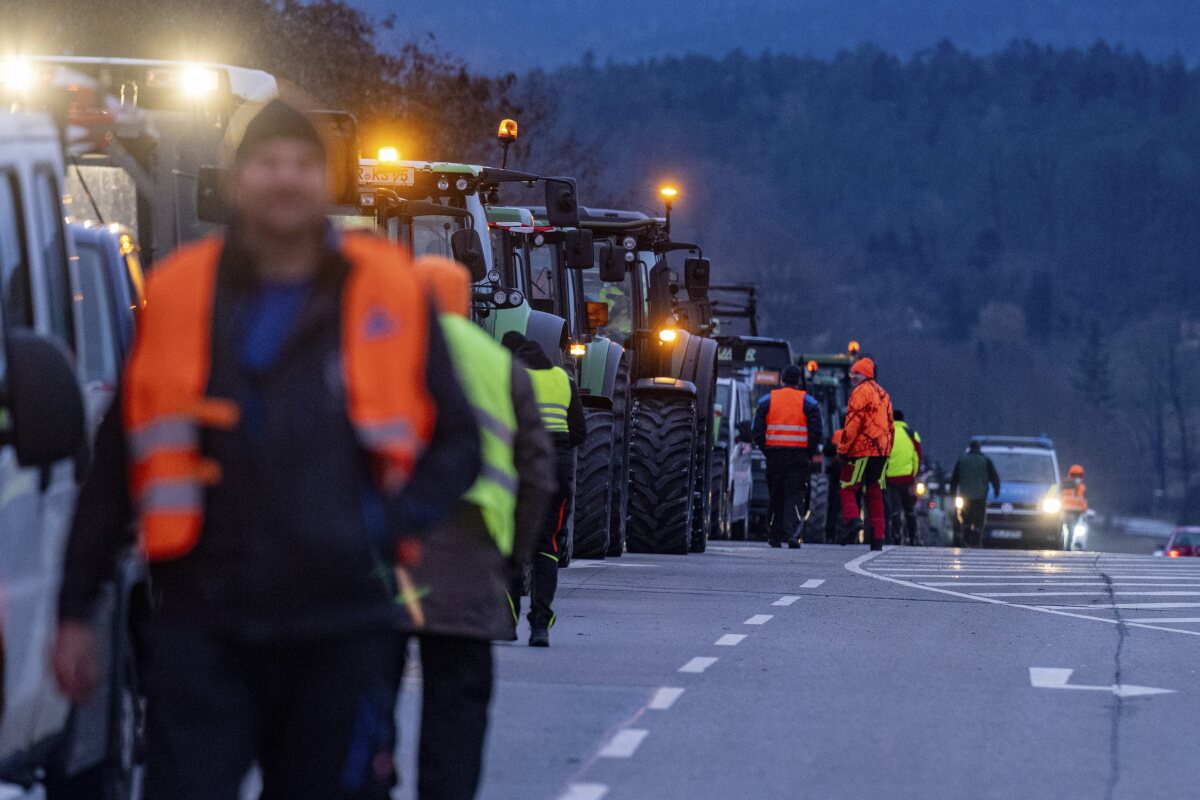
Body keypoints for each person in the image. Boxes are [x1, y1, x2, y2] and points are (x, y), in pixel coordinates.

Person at [52, 100, 481, 800]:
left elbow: (457, 440)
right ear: (238, 178)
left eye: (304, 165)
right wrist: (75, 608)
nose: (286, 178)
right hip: (203, 621)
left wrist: (387, 526)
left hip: (341, 626)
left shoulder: (390, 293)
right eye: (268, 162)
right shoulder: (177, 291)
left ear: (328, 181)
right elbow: (117, 463)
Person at [410, 257, 555, 800]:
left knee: (361, 703)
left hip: (380, 557)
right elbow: (538, 476)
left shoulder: (372, 350)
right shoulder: (502, 366)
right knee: (456, 706)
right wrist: (512, 561)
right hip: (470, 557)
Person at [503, 332, 587, 646]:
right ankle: (541, 624)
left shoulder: (510, 377)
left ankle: (507, 620)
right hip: (556, 470)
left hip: (518, 468)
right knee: (546, 545)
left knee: (509, 543)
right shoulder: (563, 379)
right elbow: (579, 432)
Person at [752, 363, 823, 548]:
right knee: (795, 494)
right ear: (799, 381)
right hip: (798, 456)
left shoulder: (767, 400)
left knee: (776, 494)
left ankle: (774, 536)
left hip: (774, 455)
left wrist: (766, 450)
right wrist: (808, 451)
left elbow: (757, 431)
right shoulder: (809, 402)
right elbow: (816, 431)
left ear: (782, 379)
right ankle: (793, 534)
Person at [837, 357, 894, 550]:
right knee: (875, 494)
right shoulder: (885, 395)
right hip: (882, 453)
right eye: (852, 373)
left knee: (847, 487)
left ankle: (853, 521)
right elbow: (891, 426)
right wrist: (888, 451)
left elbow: (853, 423)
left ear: (865, 375)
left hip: (861, 450)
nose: (853, 377)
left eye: (856, 373)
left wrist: (843, 449)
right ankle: (878, 537)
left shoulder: (859, 393)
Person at [950, 440, 1002, 547]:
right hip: (980, 496)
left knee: (965, 519)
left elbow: (954, 478)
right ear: (979, 448)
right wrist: (996, 491)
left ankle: (966, 538)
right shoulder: (985, 460)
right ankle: (977, 539)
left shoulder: (962, 459)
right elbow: (994, 477)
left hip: (965, 496)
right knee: (979, 519)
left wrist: (953, 493)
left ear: (970, 447)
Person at [885, 409, 923, 546]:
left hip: (890, 479)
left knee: (895, 509)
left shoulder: (887, 434)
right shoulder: (912, 434)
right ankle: (913, 537)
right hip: (907, 479)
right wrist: (915, 474)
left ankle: (896, 536)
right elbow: (917, 456)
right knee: (910, 509)